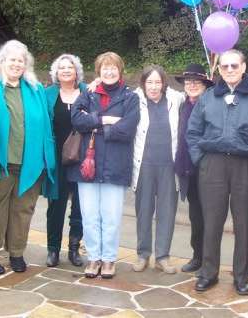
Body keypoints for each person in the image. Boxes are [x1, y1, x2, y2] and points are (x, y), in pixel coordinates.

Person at [186, 49, 248, 295]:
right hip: (212, 164)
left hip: (246, 166)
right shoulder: (208, 97)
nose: (230, 70)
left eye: (235, 66)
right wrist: (200, 160)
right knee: (211, 222)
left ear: (244, 67)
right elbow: (193, 133)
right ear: (219, 70)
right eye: (225, 67)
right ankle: (208, 273)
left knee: (243, 224)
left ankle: (241, 277)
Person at [0, 40, 56, 275]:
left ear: (26, 65)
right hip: (0, 161)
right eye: (12, 59)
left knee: (24, 209)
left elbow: (48, 121)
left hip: (30, 161)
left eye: (21, 60)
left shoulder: (35, 89)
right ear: (2, 61)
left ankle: (17, 252)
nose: (16, 64)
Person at [69, 52, 139, 279]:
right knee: (89, 216)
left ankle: (109, 259)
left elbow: (127, 129)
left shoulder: (130, 97)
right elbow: (76, 120)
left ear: (120, 70)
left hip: (115, 166)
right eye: (104, 68)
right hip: (87, 166)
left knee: (111, 217)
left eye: (113, 68)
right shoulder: (88, 94)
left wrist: (96, 127)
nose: (109, 72)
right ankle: (94, 257)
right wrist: (104, 120)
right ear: (98, 71)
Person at [131, 65, 185, 274]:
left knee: (167, 213)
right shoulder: (134, 100)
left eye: (157, 82)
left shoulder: (175, 99)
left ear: (164, 83)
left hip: (169, 167)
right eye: (149, 82)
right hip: (144, 165)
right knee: (143, 212)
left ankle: (162, 256)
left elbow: (195, 93)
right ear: (143, 83)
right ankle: (143, 254)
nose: (153, 87)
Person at [45, 54, 87, 267]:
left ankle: (74, 248)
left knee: (80, 206)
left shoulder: (87, 92)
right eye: (61, 68)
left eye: (70, 67)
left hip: (81, 158)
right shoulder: (48, 94)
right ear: (56, 72)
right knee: (56, 205)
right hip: (56, 158)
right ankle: (53, 249)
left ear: (76, 71)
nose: (66, 71)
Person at [173, 63, 213, 273]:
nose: (192, 85)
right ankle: (197, 256)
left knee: (210, 217)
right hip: (188, 169)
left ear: (205, 84)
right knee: (195, 217)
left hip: (208, 169)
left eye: (197, 82)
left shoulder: (211, 104)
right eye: (188, 82)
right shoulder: (183, 104)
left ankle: (208, 260)